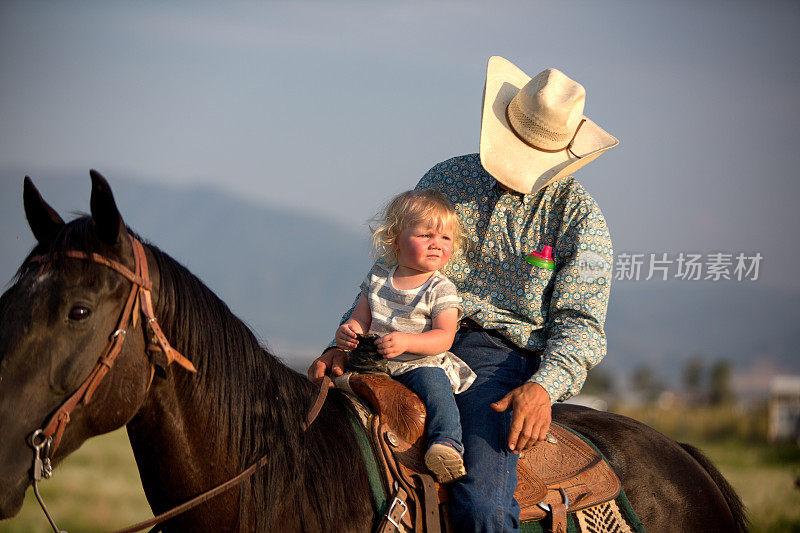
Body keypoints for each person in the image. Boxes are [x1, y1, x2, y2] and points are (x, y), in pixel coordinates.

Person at [308, 56, 618, 531]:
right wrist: (347, 336)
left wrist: (543, 387)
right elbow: (393, 267)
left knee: (483, 506)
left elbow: (582, 323)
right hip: (394, 338)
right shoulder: (446, 179)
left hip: (498, 359)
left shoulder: (577, 215)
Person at [335, 189, 476, 483]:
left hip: (419, 363)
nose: (436, 244)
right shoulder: (378, 276)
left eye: (445, 238)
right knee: (333, 388)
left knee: (436, 389)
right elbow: (362, 317)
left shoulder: (441, 289)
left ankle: (447, 443)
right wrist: (349, 332)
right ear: (395, 240)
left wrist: (407, 342)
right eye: (426, 235)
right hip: (374, 362)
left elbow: (444, 337)